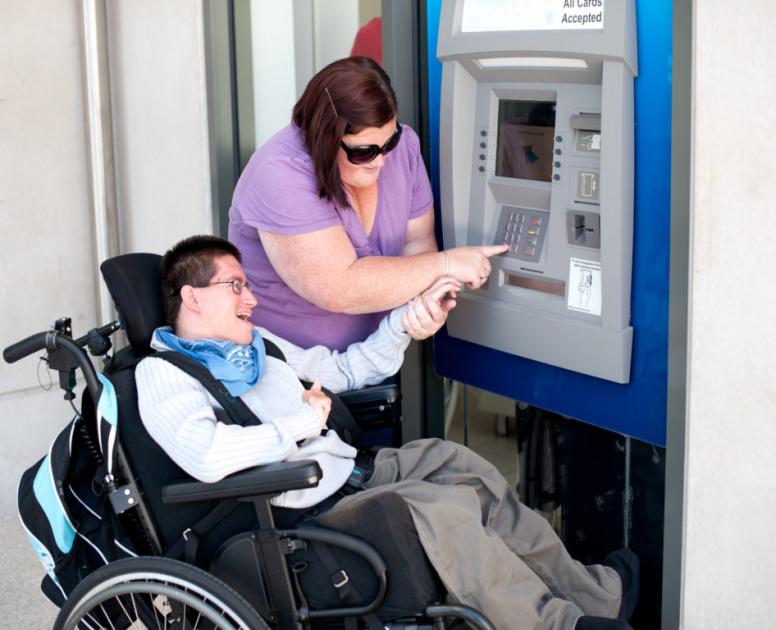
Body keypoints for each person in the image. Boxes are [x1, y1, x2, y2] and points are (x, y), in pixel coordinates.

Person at [135, 235, 637, 630]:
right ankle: (561, 626)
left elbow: (344, 370)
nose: (251, 297)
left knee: (460, 464)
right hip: (298, 508)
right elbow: (206, 455)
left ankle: (596, 596)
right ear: (192, 297)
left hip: (347, 471)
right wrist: (303, 423)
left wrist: (407, 323)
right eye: (236, 285)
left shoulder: (259, 346)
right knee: (449, 508)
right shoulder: (163, 374)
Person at [228, 56, 508, 351]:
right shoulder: (280, 173)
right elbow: (339, 288)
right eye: (364, 152)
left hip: (373, 359)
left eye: (389, 143)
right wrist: (448, 264)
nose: (381, 161)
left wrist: (427, 305)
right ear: (325, 138)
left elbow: (417, 249)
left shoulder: (404, 150)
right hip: (288, 373)